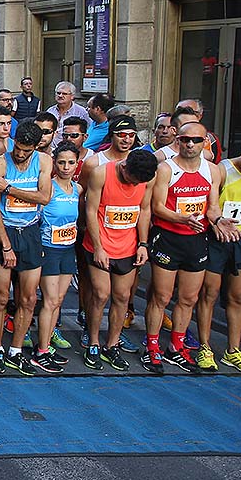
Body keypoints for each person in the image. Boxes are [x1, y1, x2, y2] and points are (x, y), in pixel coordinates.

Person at [144, 121, 219, 374]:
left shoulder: (212, 170)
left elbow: (213, 205)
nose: (189, 144)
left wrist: (219, 220)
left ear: (204, 142)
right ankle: (152, 347)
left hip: (197, 240)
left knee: (188, 298)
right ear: (178, 140)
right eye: (185, 139)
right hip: (169, 237)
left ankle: (176, 347)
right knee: (161, 297)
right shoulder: (166, 168)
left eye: (195, 141)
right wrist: (181, 218)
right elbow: (157, 207)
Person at [82, 148, 158, 370]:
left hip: (128, 246)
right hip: (100, 243)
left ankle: (112, 344)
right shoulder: (101, 173)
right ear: (124, 167)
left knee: (122, 296)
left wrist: (143, 244)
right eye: (131, 180)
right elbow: (90, 211)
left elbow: (144, 211)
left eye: (138, 183)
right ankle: (93, 342)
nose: (133, 185)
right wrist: (98, 247)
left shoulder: (146, 180)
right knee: (100, 294)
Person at [0, 122, 52, 375]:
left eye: (26, 150)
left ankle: (16, 350)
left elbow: (44, 197)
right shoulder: (0, 164)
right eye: (18, 148)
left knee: (28, 298)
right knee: (2, 296)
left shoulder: (44, 162)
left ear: (35, 147)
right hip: (7, 230)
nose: (20, 154)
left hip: (31, 232)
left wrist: (10, 189)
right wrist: (5, 246)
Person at [196, 142, 241, 373]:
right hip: (217, 239)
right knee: (209, 293)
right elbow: (208, 203)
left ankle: (233, 350)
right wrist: (216, 224)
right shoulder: (222, 170)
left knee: (239, 296)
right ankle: (205, 346)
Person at [35, 143, 81, 374]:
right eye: (61, 162)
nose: (66, 167)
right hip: (49, 249)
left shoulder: (77, 189)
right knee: (50, 300)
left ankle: (47, 345)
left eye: (71, 162)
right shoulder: (49, 188)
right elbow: (36, 217)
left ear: (77, 163)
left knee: (59, 300)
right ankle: (41, 350)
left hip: (67, 249)